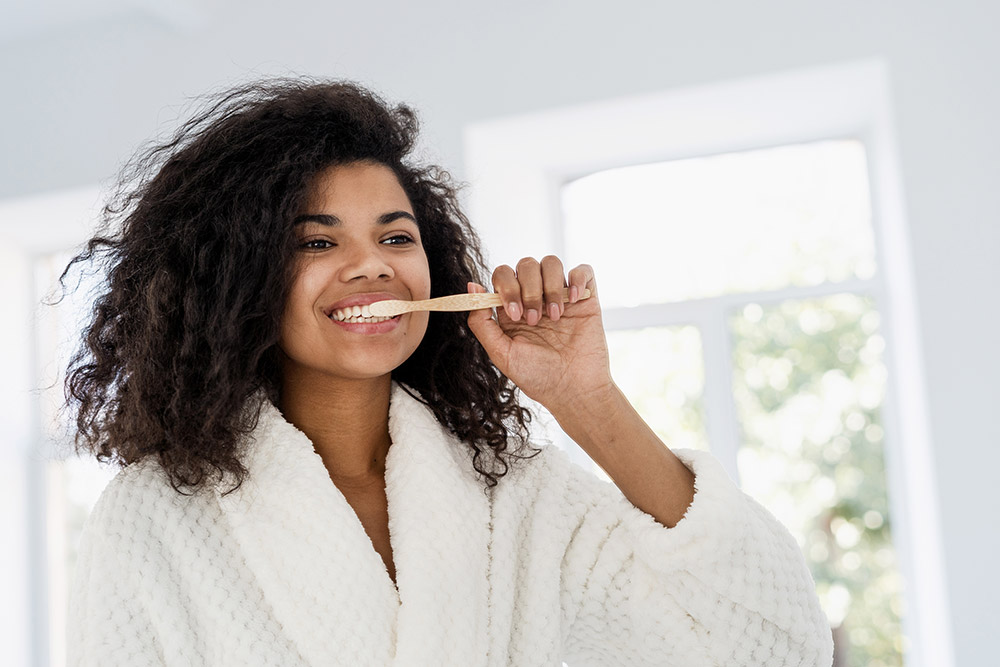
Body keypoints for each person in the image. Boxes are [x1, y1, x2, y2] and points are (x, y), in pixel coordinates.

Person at [64, 78, 834, 666]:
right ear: (237, 279)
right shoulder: (156, 518)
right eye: (318, 243)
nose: (372, 265)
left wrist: (585, 397)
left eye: (395, 237)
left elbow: (763, 638)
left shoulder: (512, 494)